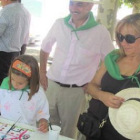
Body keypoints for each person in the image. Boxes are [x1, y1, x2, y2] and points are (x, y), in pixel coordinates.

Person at [40, 0, 114, 139]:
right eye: (72, 3)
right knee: (46, 126)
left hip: (76, 92)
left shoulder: (100, 32)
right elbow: (45, 48)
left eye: (80, 4)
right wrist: (42, 72)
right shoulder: (59, 23)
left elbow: (110, 61)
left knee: (69, 133)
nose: (74, 8)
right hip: (50, 85)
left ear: (90, 6)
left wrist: (94, 83)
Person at [86, 13, 140, 140]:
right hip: (97, 126)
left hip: (127, 132)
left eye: (130, 38)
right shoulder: (113, 58)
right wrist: (102, 96)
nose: (123, 42)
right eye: (120, 37)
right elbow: (90, 86)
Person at [0, 55, 50, 133]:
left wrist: (43, 121)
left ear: (31, 81)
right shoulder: (4, 86)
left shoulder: (37, 93)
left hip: (27, 131)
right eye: (12, 79)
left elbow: (42, 112)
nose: (15, 84)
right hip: (4, 128)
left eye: (20, 83)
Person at [0, 0, 31, 85]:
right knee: (9, 82)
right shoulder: (25, 11)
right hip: (16, 53)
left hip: (3, 55)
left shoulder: (6, 11)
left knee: (3, 83)